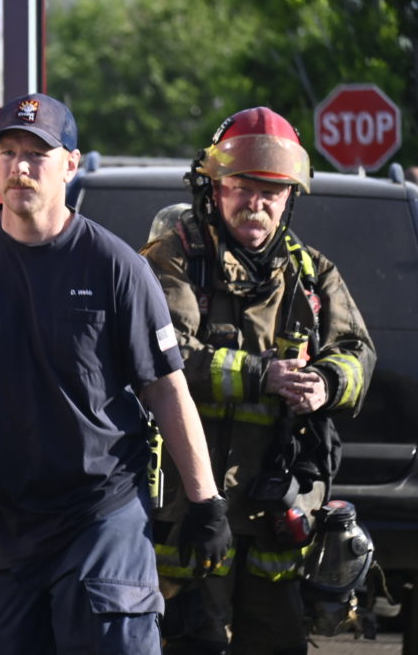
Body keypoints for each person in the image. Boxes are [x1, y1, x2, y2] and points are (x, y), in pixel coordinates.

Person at [0, 92, 230, 653]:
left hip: (100, 515)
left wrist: (205, 500)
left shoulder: (116, 266)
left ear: (70, 164)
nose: (19, 168)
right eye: (7, 152)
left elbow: (167, 389)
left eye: (36, 154)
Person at [140, 106, 376, 654]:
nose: (257, 203)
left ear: (289, 197)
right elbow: (162, 356)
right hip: (191, 509)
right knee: (191, 642)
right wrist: (260, 375)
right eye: (243, 187)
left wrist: (326, 383)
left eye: (272, 192)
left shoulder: (311, 273)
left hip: (276, 513)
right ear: (214, 188)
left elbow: (358, 353)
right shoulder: (173, 259)